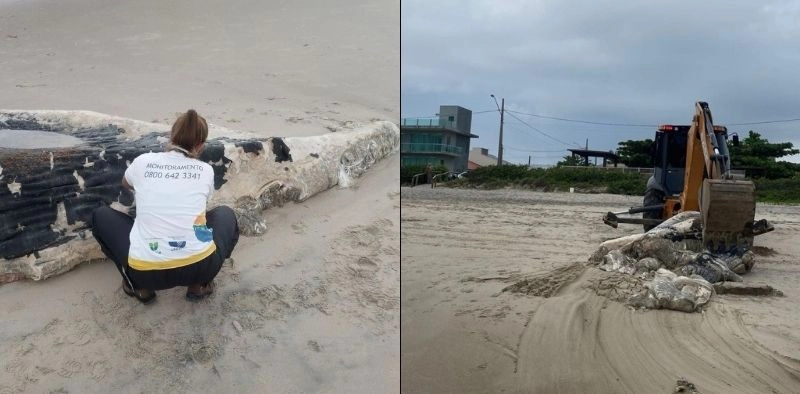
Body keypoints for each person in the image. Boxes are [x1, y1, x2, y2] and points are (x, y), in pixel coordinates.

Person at [91, 109, 239, 304]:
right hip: (200, 265)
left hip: (146, 272)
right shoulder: (206, 170)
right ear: (201, 145)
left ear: (171, 136)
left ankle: (140, 288)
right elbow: (202, 203)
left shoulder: (144, 161)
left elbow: (126, 183)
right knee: (224, 214)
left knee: (101, 216)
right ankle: (199, 285)